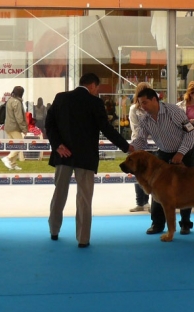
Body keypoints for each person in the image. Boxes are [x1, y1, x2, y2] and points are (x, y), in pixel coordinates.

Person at [45, 73, 132, 248]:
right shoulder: (95, 103)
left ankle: (54, 231)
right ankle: (83, 239)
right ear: (93, 86)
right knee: (84, 198)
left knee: (59, 194)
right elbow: (107, 130)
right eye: (97, 88)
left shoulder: (60, 98)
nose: (97, 91)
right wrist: (126, 147)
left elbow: (49, 124)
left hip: (63, 155)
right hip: (86, 158)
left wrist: (57, 145)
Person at [129, 87, 194, 235]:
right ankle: (157, 224)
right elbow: (141, 139)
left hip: (184, 152)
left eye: (145, 102)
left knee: (186, 189)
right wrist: (131, 148)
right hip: (163, 154)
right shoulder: (144, 118)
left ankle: (185, 223)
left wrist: (180, 153)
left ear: (155, 99)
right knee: (157, 190)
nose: (143, 107)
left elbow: (191, 133)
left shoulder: (174, 111)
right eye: (140, 104)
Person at [128, 82, 152, 212]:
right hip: (138, 144)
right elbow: (135, 127)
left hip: (152, 145)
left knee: (149, 173)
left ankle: (148, 201)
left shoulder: (153, 108)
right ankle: (140, 202)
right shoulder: (133, 109)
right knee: (138, 173)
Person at [1, 85, 28, 171]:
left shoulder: (10, 100)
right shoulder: (17, 102)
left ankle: (12, 165)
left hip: (8, 127)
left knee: (14, 147)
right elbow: (19, 118)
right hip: (14, 128)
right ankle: (7, 158)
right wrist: (24, 129)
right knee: (20, 145)